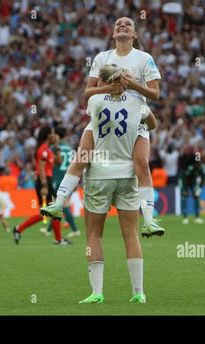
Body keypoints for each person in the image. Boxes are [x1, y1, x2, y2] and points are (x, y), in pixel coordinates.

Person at [42, 16, 165, 238]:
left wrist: (132, 85)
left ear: (134, 34)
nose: (122, 25)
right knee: (81, 157)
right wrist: (110, 88)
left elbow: (155, 94)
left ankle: (149, 220)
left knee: (142, 164)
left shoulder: (144, 59)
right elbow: (88, 92)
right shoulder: (102, 58)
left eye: (128, 24)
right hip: (104, 117)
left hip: (134, 121)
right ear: (113, 33)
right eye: (118, 24)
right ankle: (58, 203)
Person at [75, 64, 157, 304]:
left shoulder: (96, 102)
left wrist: (101, 89)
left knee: (93, 234)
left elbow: (87, 95)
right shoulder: (136, 103)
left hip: (100, 174)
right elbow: (152, 124)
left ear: (103, 81)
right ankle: (138, 292)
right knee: (131, 234)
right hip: (128, 174)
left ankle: (97, 292)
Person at [12, 127, 71, 245]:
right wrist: (44, 185)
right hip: (44, 181)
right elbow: (41, 169)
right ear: (48, 136)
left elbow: (58, 162)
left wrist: (57, 145)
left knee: (50, 211)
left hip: (46, 181)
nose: (55, 135)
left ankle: (19, 229)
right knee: (52, 210)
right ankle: (58, 239)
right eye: (53, 133)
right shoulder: (43, 150)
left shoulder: (48, 150)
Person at [41, 127, 81, 238]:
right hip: (70, 178)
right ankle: (49, 230)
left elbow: (54, 162)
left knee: (62, 204)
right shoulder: (69, 148)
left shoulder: (54, 148)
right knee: (58, 205)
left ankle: (75, 229)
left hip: (58, 179)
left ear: (57, 135)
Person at [179, 148, 205, 225]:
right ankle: (185, 217)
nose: (198, 163)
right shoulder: (190, 168)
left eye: (199, 161)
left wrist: (200, 188)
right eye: (197, 161)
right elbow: (185, 179)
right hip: (185, 181)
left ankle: (197, 217)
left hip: (193, 182)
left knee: (197, 197)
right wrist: (185, 189)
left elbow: (204, 177)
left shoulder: (201, 167)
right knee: (184, 197)